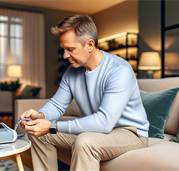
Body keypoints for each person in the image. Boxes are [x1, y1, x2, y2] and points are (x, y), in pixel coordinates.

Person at [20, 14, 149, 171]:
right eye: (63, 49)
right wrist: (40, 117)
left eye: (70, 49)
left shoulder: (119, 70)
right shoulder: (72, 72)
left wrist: (52, 126)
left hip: (130, 133)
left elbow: (104, 122)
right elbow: (57, 104)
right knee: (39, 133)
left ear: (90, 44)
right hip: (96, 131)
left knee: (85, 141)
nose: (65, 55)